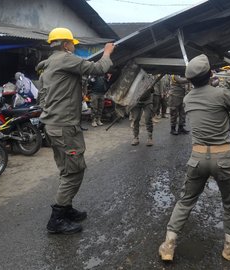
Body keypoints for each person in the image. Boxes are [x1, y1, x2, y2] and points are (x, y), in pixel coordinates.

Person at [158, 54, 230, 262]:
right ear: (211, 74)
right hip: (223, 158)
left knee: (185, 201)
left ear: (190, 80)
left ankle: (168, 244)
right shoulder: (222, 94)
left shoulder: (187, 98)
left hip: (197, 157)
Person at [39, 27, 114, 234]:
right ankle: (57, 219)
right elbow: (99, 68)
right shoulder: (65, 59)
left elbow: (42, 98)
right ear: (65, 44)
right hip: (63, 127)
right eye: (73, 43)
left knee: (67, 169)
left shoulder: (48, 66)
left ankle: (67, 208)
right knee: (74, 171)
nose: (74, 46)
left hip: (54, 126)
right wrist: (107, 52)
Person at [130, 75, 155, 146]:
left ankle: (150, 138)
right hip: (136, 100)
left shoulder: (149, 78)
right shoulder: (134, 78)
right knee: (135, 119)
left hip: (147, 100)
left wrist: (150, 85)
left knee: (148, 119)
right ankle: (135, 137)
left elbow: (152, 91)